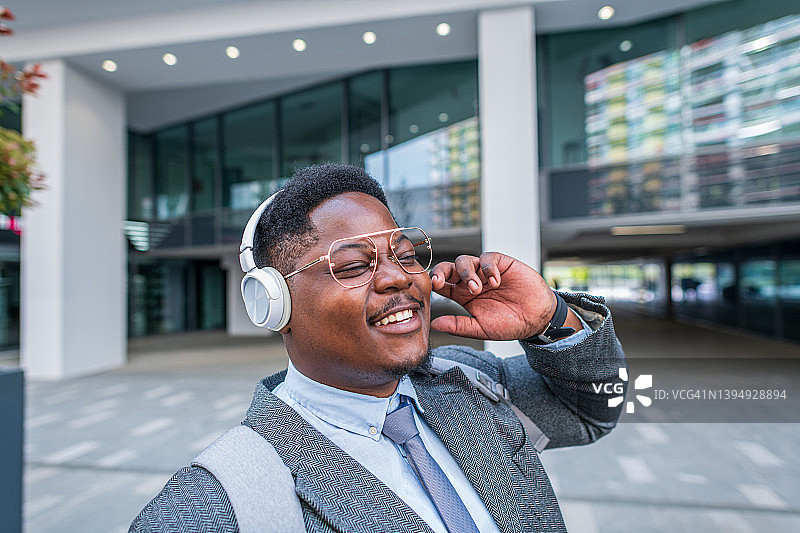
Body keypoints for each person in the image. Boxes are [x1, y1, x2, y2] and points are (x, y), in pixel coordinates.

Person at [130, 163, 626, 533]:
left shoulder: (467, 381)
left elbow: (591, 413)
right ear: (272, 303)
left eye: (405, 255)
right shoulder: (220, 501)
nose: (398, 278)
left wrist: (549, 321)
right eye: (351, 265)